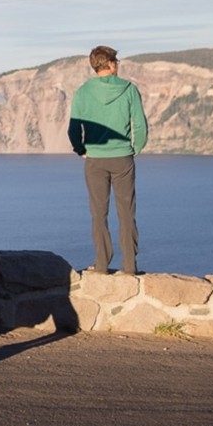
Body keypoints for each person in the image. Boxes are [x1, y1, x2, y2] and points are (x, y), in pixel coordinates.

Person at [68, 45, 149, 275]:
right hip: (122, 159)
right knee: (126, 213)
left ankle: (102, 265)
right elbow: (140, 125)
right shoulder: (129, 89)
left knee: (98, 214)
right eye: (117, 62)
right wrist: (135, 148)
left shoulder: (83, 92)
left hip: (95, 159)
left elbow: (74, 128)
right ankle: (130, 266)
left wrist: (80, 149)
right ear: (111, 64)